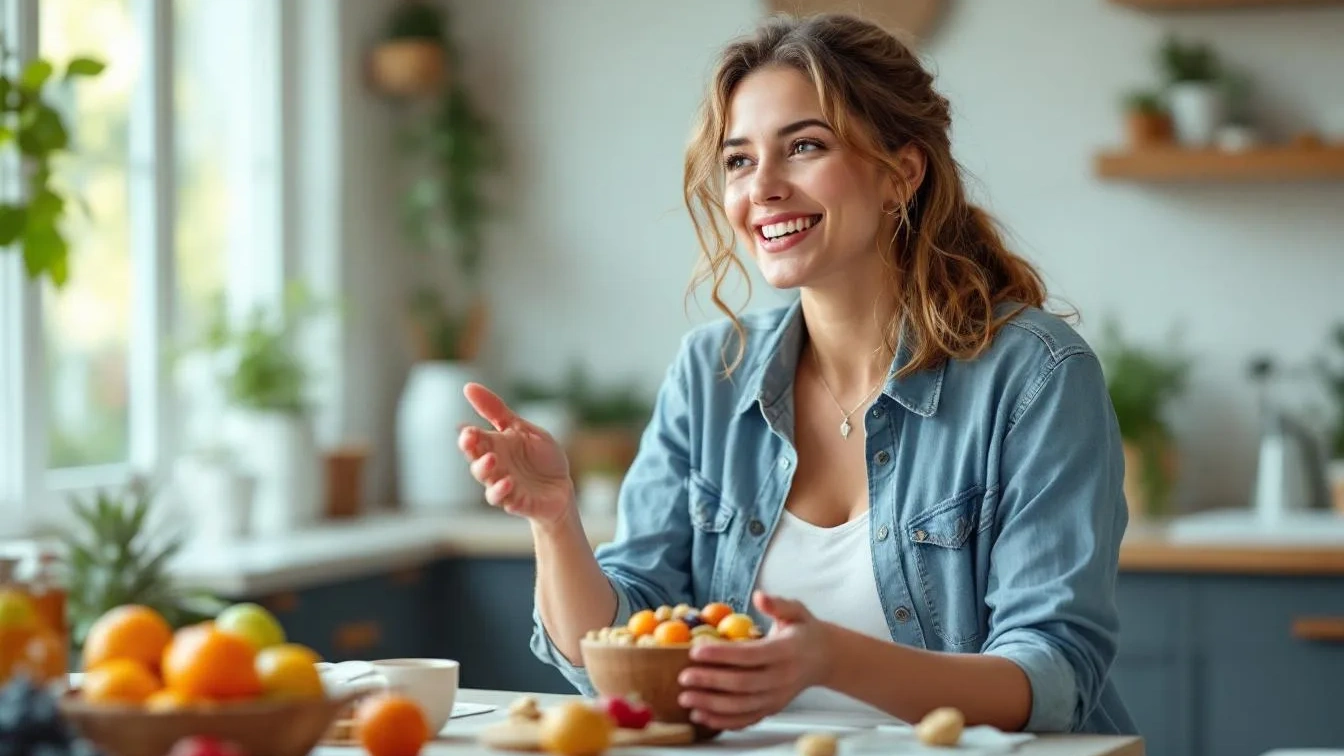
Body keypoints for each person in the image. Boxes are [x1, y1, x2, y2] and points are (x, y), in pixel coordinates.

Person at [456, 11, 1135, 736]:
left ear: (901, 175)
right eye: (740, 160)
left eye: (804, 146)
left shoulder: (1034, 375)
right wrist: (557, 523)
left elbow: (1053, 676)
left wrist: (829, 659)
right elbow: (613, 656)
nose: (764, 187)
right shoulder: (709, 374)